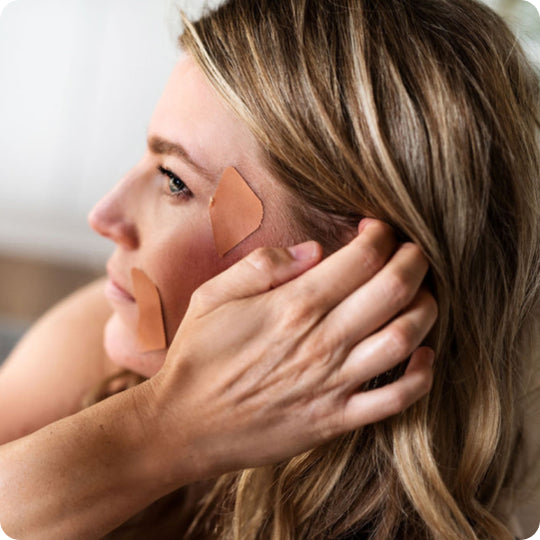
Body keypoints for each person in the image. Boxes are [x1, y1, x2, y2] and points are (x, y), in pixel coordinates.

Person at [0, 0, 538, 538]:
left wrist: (165, 430)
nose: (104, 216)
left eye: (174, 181)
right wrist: (164, 427)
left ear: (357, 279)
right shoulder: (113, 327)